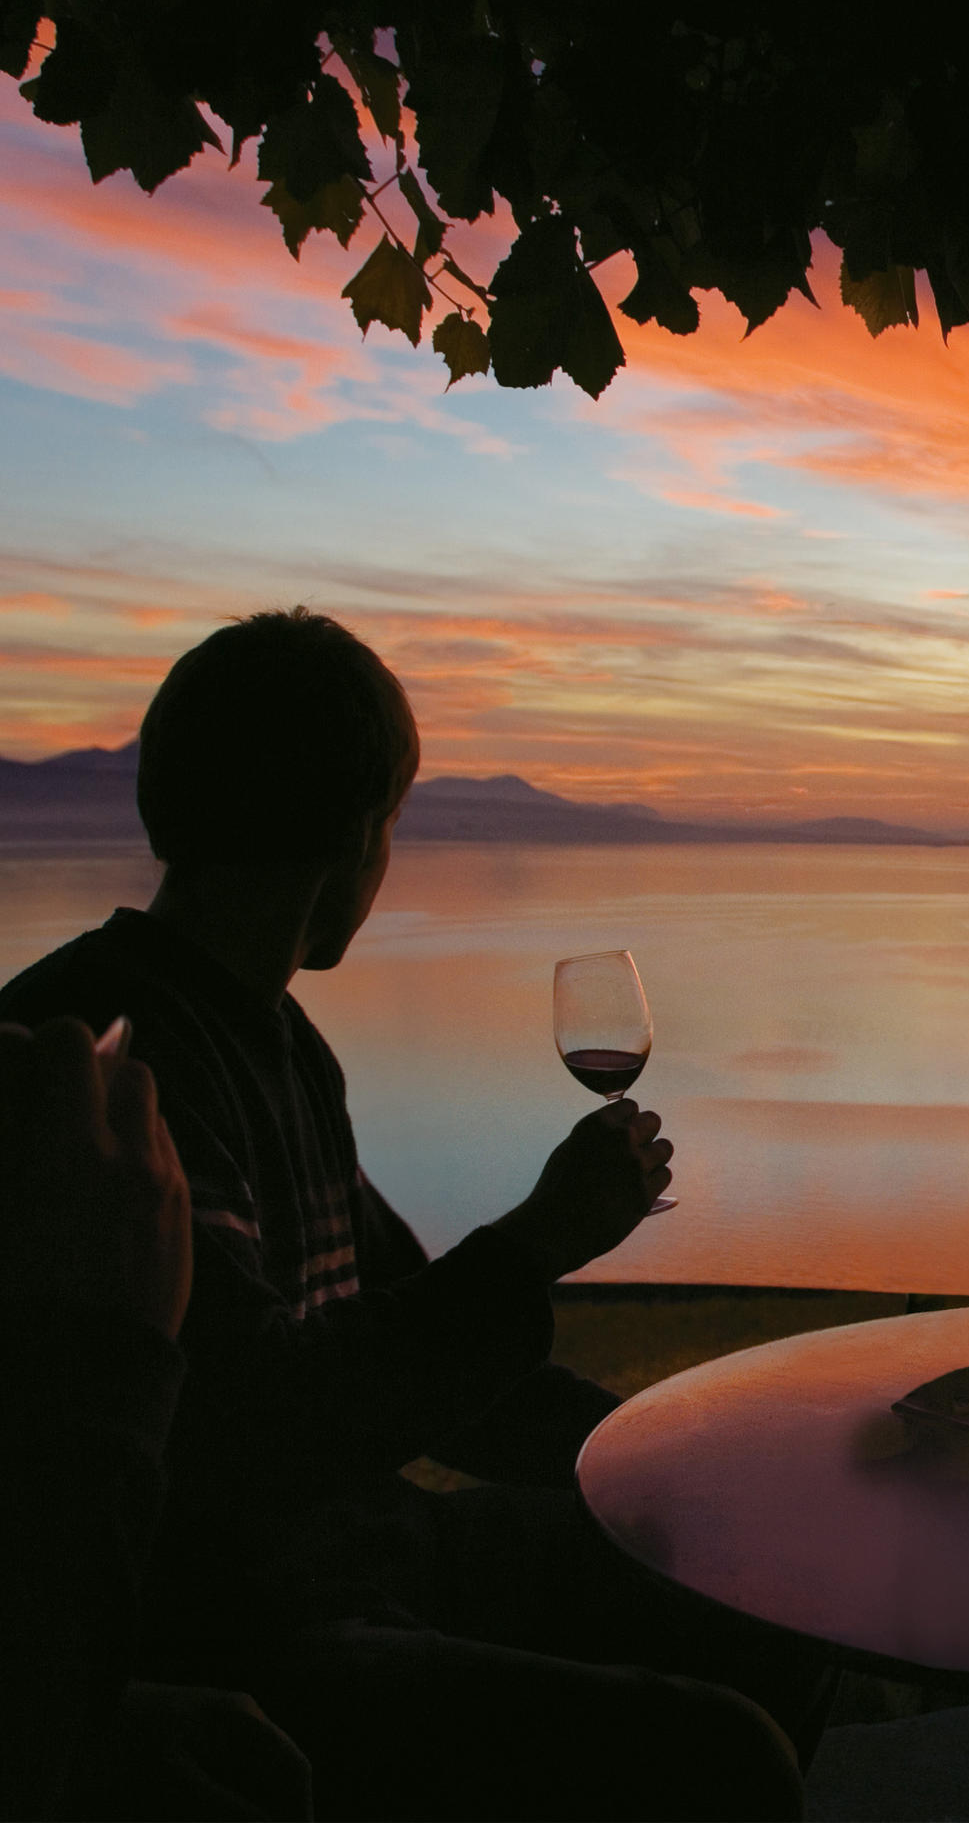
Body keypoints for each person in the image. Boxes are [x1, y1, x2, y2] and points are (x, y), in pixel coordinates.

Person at [0, 610, 816, 1821]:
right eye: (392, 824)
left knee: (757, 1597)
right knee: (723, 1756)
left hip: (366, 1545)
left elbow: (414, 1341)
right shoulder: (107, 1055)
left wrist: (657, 1461)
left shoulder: (276, 1039)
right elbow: (254, 1427)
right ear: (355, 833)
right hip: (241, 1626)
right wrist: (541, 1239)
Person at [1, 1013, 312, 1821]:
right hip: (274, 1608)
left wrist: (114, 1717)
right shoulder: (115, 1091)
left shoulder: (288, 1044)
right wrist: (113, 1355)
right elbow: (275, 1426)